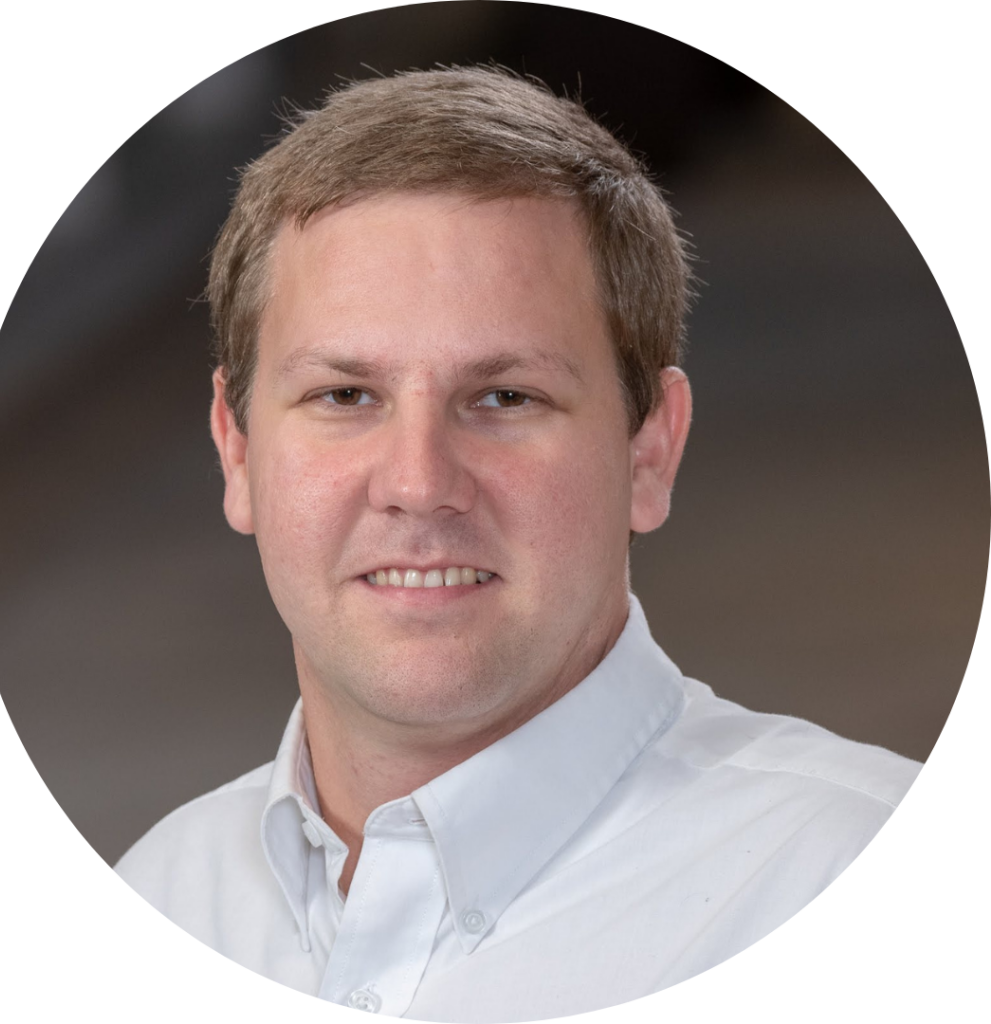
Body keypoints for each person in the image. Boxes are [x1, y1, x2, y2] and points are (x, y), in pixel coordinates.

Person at [116, 67, 920, 1021]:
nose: (418, 482)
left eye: (505, 397)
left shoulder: (870, 895)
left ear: (650, 450)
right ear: (238, 450)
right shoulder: (155, 904)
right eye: (344, 396)